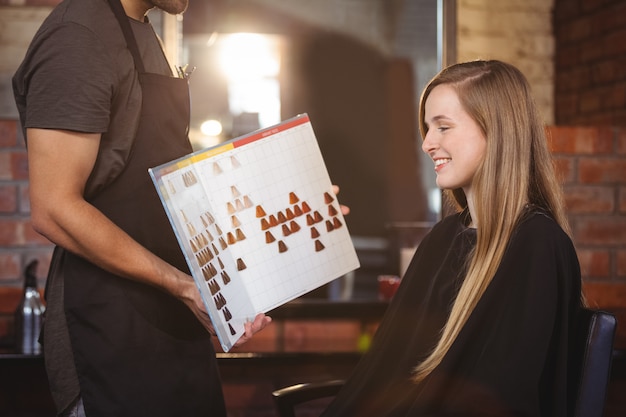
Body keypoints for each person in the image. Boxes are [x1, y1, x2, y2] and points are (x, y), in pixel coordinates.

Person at [12, 0, 271, 416]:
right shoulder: (78, 38)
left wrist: (273, 208)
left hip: (174, 324)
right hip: (110, 332)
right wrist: (183, 285)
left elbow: (168, 193)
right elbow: (54, 207)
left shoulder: (141, 32)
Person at [319, 60, 583, 416]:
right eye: (428, 128)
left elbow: (502, 393)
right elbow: (387, 367)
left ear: (497, 131)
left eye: (443, 127)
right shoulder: (442, 238)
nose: (428, 143)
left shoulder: (536, 246)